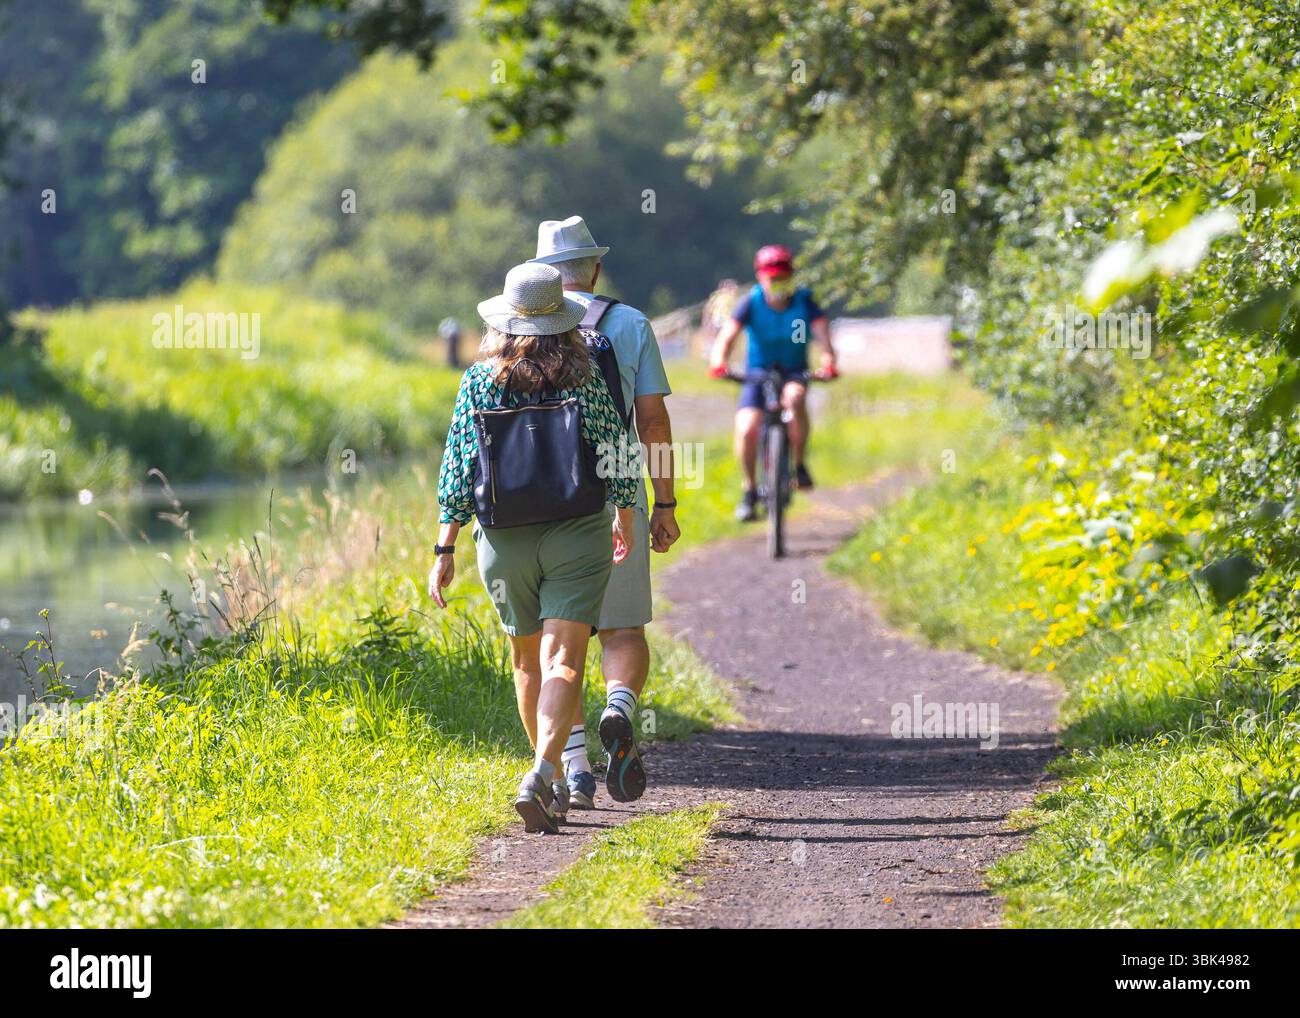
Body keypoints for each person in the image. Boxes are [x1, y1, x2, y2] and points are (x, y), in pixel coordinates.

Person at [428, 261, 640, 834]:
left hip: (503, 538)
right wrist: (624, 511)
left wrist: (444, 547)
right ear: (563, 319)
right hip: (576, 530)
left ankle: (544, 775)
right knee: (564, 660)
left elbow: (457, 467)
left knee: (525, 662)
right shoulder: (585, 375)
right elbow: (616, 449)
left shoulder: (478, 379)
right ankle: (545, 772)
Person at [529, 215, 679, 809]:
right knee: (621, 628)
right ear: (594, 267)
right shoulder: (629, 323)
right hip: (614, 489)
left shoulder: (519, 325)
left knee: (556, 643)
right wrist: (662, 502)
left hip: (538, 494)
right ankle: (618, 708)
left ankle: (573, 767)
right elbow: (654, 422)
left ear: (544, 274)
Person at [709, 244, 838, 521]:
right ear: (760, 277)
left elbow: (823, 336)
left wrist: (828, 363)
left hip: (794, 371)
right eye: (772, 278)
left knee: (795, 398)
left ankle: (799, 465)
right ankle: (749, 490)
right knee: (746, 428)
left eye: (782, 277)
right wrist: (719, 362)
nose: (777, 283)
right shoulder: (751, 302)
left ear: (791, 277)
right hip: (757, 373)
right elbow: (727, 337)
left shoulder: (805, 301)